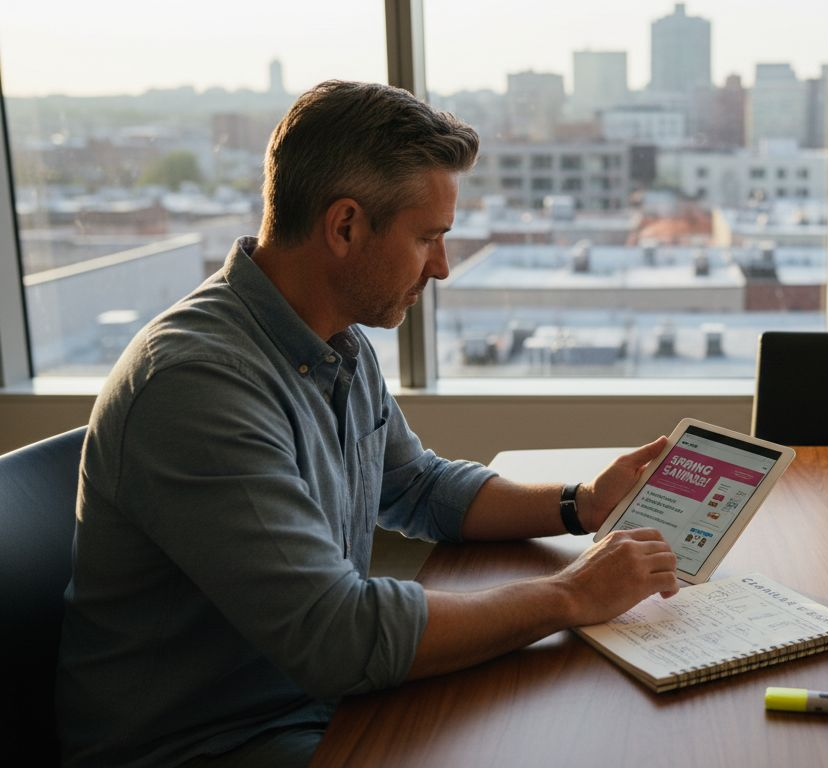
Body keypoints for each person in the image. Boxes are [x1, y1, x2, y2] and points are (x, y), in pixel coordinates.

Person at [56, 80, 679, 768]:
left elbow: (415, 486)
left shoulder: (331, 339)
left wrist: (580, 503)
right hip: (210, 743)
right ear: (346, 225)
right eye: (427, 238)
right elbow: (339, 637)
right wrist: (569, 595)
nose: (441, 267)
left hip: (317, 706)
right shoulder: (196, 386)